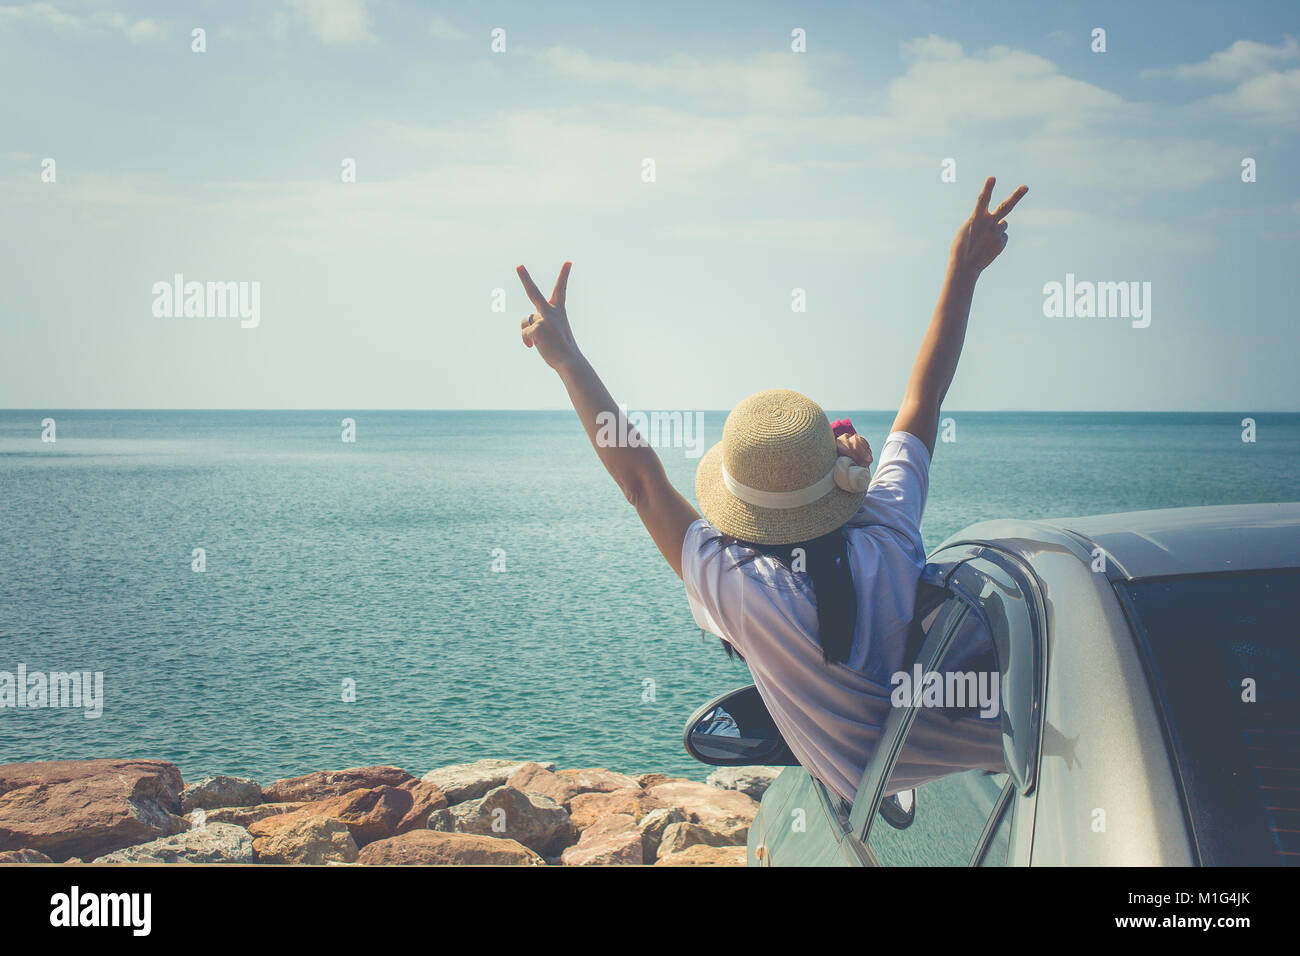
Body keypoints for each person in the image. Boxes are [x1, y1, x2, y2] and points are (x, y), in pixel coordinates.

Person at [514, 176, 1028, 804]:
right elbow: (925, 398)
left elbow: (642, 483)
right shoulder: (888, 523)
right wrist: (963, 269)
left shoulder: (740, 587)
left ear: (740, 503)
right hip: (1014, 735)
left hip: (893, 791)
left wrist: (566, 358)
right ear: (834, 478)